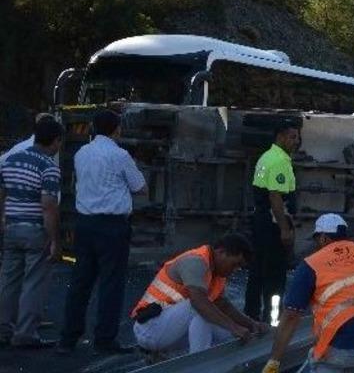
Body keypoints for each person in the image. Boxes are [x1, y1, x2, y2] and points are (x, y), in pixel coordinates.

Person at [262, 213, 354, 373]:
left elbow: (291, 316)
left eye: (316, 239)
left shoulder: (311, 264)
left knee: (324, 362)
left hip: (348, 343)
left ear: (323, 238)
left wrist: (274, 361)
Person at [57, 110, 146, 354]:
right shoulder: (120, 155)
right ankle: (105, 339)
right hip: (112, 226)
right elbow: (139, 186)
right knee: (111, 283)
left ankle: (68, 338)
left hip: (84, 223)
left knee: (80, 282)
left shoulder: (81, 153)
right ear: (116, 129)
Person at [131, 233, 268, 355]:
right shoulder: (195, 261)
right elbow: (199, 303)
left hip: (169, 330)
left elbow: (223, 305)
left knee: (227, 333)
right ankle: (199, 366)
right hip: (149, 330)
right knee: (200, 308)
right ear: (221, 252)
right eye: (234, 264)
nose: (235, 270)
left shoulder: (218, 273)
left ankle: (203, 362)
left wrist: (250, 324)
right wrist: (235, 327)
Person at [0, 118, 64, 348]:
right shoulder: (48, 167)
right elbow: (48, 206)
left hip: (11, 228)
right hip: (35, 230)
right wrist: (55, 240)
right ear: (56, 141)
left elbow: (2, 193)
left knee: (8, 281)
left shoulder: (10, 160)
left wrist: (3, 220)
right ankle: (25, 334)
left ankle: (3, 329)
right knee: (33, 283)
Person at [244, 122, 301, 322]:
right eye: (293, 137)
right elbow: (275, 197)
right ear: (281, 137)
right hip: (273, 223)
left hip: (261, 221)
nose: (296, 142)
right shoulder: (279, 161)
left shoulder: (266, 157)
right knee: (276, 277)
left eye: (297, 137)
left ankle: (250, 315)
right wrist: (285, 230)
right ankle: (273, 319)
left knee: (257, 271)